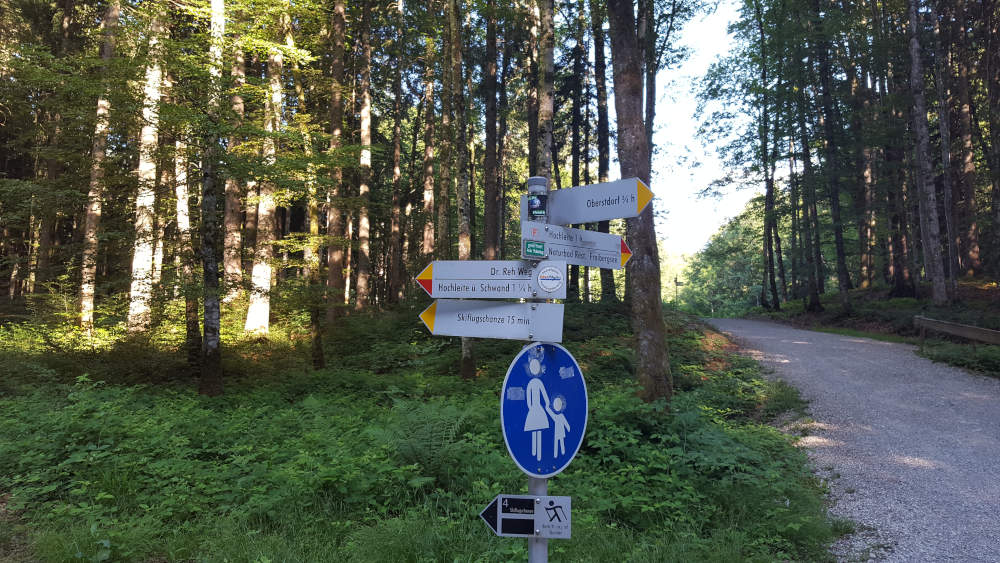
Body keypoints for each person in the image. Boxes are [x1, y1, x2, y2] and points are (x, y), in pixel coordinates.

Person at [523, 355, 550, 461]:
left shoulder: (539, 382)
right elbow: (527, 395)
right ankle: (534, 451)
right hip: (534, 409)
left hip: (538, 408)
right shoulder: (531, 383)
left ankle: (538, 453)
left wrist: (547, 403)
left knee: (539, 429)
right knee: (534, 428)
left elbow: (544, 393)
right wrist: (530, 407)